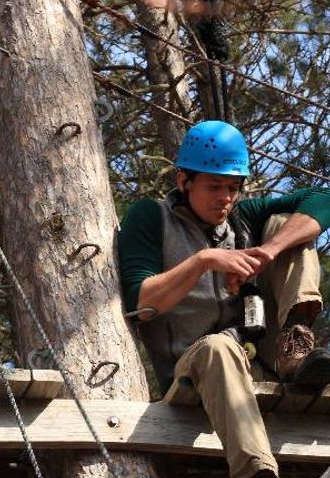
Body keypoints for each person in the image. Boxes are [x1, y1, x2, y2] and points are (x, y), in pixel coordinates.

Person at [118, 120, 330, 478]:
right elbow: (142, 305)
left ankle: (295, 345)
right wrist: (204, 261)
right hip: (194, 366)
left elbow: (323, 199)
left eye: (233, 187)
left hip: (257, 361)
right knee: (218, 347)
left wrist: (268, 251)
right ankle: (257, 472)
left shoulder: (242, 219)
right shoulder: (151, 217)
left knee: (287, 226)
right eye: (214, 186)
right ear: (184, 181)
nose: (226, 198)